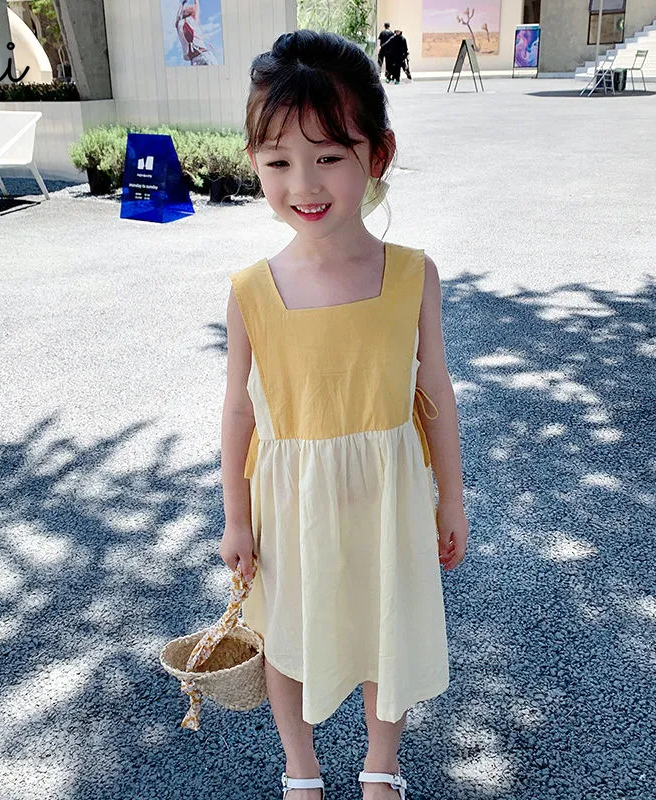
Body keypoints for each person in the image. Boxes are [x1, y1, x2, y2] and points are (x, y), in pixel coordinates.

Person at [220, 30, 469, 800]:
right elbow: (239, 410)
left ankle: (380, 765)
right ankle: (301, 769)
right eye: (278, 162)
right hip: (288, 501)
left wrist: (451, 499)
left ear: (377, 154)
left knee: (381, 627)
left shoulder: (413, 274)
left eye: (328, 155)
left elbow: (435, 392)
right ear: (255, 163)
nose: (304, 182)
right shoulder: (251, 289)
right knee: (288, 636)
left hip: (387, 495)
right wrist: (236, 518)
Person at [175, 0, 218, 66]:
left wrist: (184, 4)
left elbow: (196, 4)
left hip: (203, 55)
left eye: (189, 8)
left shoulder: (192, 19)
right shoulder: (179, 24)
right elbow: (178, 17)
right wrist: (182, 4)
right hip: (194, 60)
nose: (185, 9)